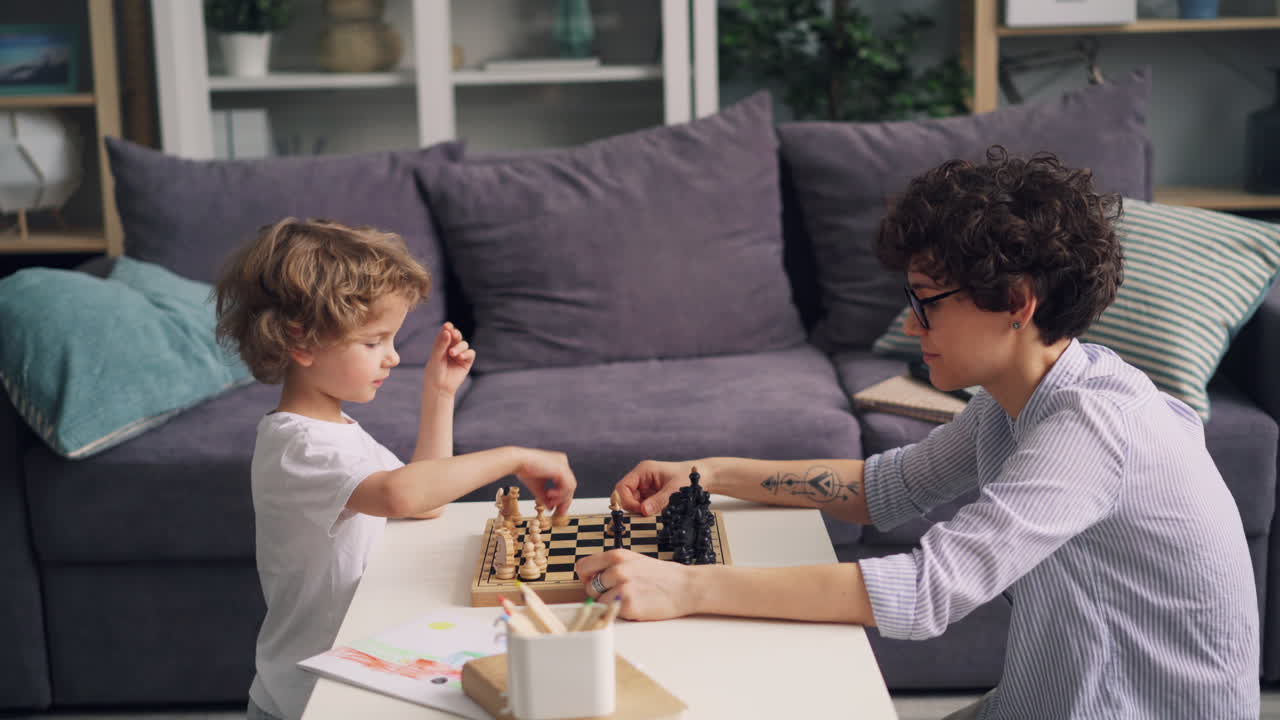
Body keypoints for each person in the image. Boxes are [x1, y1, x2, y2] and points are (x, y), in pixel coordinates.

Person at [576, 149, 1259, 718]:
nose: (910, 325)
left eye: (927, 302)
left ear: (1017, 304)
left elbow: (930, 590)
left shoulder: (1093, 428)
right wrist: (707, 473)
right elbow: (884, 490)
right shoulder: (1019, 398)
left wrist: (686, 587)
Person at [214, 218, 577, 720]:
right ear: (302, 341)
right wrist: (513, 457)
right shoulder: (296, 444)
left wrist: (440, 394)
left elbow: (425, 500)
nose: (393, 356)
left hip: (351, 671)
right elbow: (401, 496)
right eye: (373, 341)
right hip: (305, 696)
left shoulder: (338, 430)